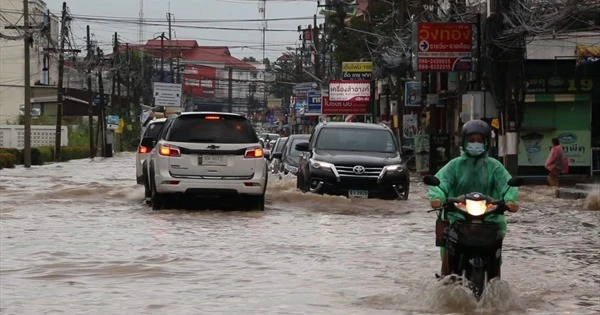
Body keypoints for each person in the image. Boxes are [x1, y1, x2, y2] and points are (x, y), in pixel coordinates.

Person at [428, 119, 519, 278]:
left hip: (488, 217)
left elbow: (507, 184)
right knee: (448, 246)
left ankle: (495, 281)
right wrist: (438, 197)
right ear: (463, 142)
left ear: (486, 143)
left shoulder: (494, 166)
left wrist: (510, 201)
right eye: (471, 140)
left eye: (479, 141)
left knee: (496, 249)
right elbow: (441, 182)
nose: (475, 144)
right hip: (459, 215)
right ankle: (444, 280)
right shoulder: (455, 165)